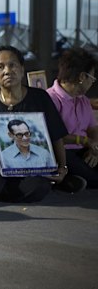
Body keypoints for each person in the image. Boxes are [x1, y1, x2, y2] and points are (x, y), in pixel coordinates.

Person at [0, 46, 80, 203]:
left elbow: (56, 136)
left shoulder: (40, 98)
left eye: (13, 65)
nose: (8, 71)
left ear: (22, 70)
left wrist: (62, 169)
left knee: (39, 187)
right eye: (0, 67)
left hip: (29, 165)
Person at [46, 47, 98, 188]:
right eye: (92, 78)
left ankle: (71, 180)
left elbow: (93, 128)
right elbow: (50, 136)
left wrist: (95, 148)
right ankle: (66, 179)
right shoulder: (49, 99)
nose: (92, 82)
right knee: (94, 178)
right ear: (82, 77)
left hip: (83, 150)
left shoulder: (83, 100)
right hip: (62, 153)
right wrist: (84, 140)